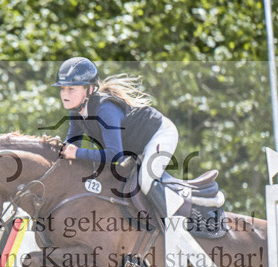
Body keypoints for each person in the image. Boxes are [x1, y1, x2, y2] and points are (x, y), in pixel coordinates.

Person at [54, 56, 183, 220]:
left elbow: (114, 155)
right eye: (63, 89)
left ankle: (177, 226)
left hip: (160, 134)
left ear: (89, 90)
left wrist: (77, 153)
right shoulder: (76, 113)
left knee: (146, 180)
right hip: (137, 146)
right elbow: (71, 148)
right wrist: (54, 147)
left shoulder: (105, 109)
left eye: (71, 89)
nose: (65, 94)